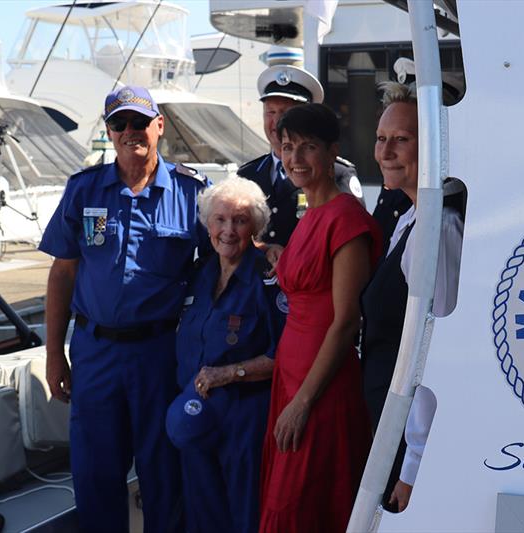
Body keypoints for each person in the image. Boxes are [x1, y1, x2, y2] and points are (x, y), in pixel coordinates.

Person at [40, 86, 207, 533]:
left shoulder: (193, 193)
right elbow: (62, 275)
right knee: (95, 475)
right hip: (95, 354)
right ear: (109, 132)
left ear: (159, 126)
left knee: (163, 473)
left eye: (139, 122)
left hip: (160, 354)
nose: (130, 132)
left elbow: (223, 268)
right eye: (120, 123)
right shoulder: (84, 190)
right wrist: (54, 353)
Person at [259, 104, 382, 533]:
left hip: (320, 387)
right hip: (291, 377)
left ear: (332, 153)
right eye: (289, 147)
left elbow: (347, 321)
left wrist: (303, 403)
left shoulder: (346, 217)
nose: (295, 158)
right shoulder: (309, 215)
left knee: (298, 509)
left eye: (308, 147)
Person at [360, 81, 464, 511]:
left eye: (401, 140)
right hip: (389, 423)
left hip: (409, 439)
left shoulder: (437, 230)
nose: (385, 152)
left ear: (437, 146)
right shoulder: (409, 218)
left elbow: (436, 350)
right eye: (381, 139)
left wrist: (414, 466)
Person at [167, 177, 286, 533]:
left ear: (256, 226)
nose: (229, 230)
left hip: (245, 419)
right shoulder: (199, 275)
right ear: (207, 224)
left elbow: (283, 356)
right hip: (197, 414)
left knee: (244, 512)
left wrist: (229, 373)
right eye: (220, 220)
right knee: (202, 513)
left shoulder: (269, 277)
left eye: (240, 220)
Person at [237, 64, 364, 246]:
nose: (277, 122)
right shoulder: (247, 175)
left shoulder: (335, 172)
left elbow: (348, 233)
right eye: (270, 112)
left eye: (286, 113)